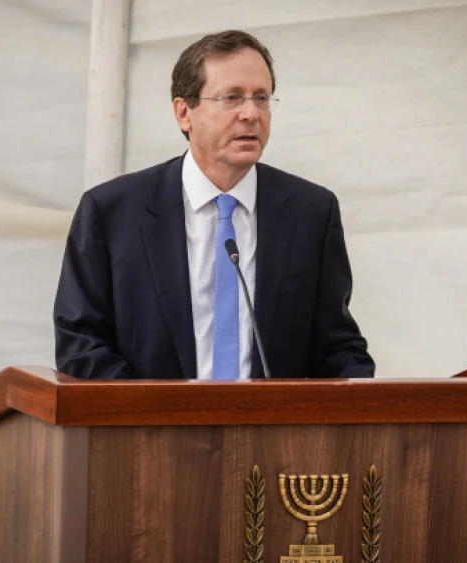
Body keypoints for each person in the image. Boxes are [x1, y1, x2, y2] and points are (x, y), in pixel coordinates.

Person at [53, 30, 374, 380]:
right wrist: (153, 417)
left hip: (275, 431)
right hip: (150, 430)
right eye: (232, 98)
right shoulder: (111, 212)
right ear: (183, 113)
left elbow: (337, 346)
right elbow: (81, 344)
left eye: (262, 98)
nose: (251, 113)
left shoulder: (312, 212)